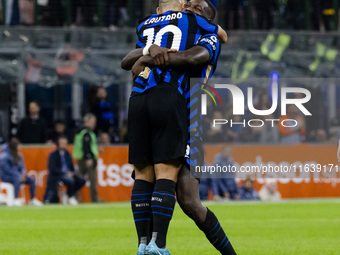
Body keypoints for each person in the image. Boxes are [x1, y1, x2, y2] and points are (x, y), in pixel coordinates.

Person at [121, 1, 235, 254]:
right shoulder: (178, 29)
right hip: (165, 108)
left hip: (191, 120)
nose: (188, 9)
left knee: (189, 200)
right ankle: (150, 246)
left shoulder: (209, 38)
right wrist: (150, 50)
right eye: (188, 4)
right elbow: (129, 61)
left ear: (208, 17)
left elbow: (192, 57)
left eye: (196, 7)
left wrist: (151, 56)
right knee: (150, 180)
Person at [0, 138, 42, 206]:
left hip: (18, 175)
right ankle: (15, 199)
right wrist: (18, 175)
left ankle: (32, 199)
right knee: (17, 179)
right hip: (7, 177)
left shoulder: (19, 155)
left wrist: (22, 174)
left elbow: (22, 167)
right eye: (19, 145)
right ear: (15, 146)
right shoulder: (4, 156)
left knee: (31, 180)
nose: (20, 147)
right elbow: (6, 169)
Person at [47, 136, 86, 205]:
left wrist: (73, 173)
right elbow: (53, 169)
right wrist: (65, 173)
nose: (63, 145)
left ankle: (68, 194)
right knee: (70, 180)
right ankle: (70, 196)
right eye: (62, 143)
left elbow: (71, 167)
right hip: (58, 175)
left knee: (82, 180)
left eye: (65, 143)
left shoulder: (68, 154)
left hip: (69, 174)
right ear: (58, 144)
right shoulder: (53, 155)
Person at [73, 113, 99, 203]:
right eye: (92, 122)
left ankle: (75, 198)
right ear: (87, 122)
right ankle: (94, 200)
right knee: (92, 180)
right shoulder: (86, 132)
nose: (94, 124)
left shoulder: (82, 131)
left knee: (79, 180)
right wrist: (89, 157)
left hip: (81, 158)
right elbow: (86, 146)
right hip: (86, 159)